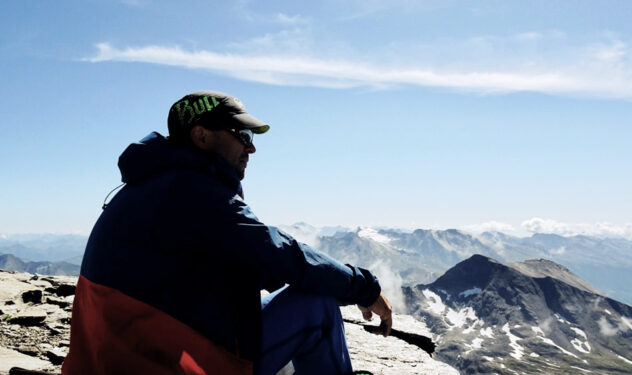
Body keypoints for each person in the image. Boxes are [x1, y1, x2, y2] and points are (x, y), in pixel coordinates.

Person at [62, 91, 392, 375]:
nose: (251, 149)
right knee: (316, 306)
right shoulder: (194, 192)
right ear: (202, 136)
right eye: (242, 135)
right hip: (159, 362)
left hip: (117, 355)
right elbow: (279, 254)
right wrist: (363, 287)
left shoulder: (153, 185)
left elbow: (254, 264)